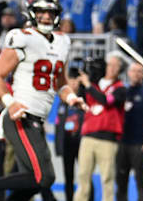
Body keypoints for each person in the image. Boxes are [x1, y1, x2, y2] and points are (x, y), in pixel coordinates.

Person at [0, 0, 87, 199]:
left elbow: (60, 83)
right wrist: (10, 103)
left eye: (50, 12)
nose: (46, 17)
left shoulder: (63, 41)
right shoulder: (22, 37)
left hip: (37, 120)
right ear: (31, 13)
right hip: (20, 117)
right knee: (43, 178)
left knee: (38, 180)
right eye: (40, 12)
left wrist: (72, 98)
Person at [74, 54, 127, 201]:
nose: (112, 68)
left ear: (120, 69)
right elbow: (81, 100)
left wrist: (88, 85)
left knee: (107, 179)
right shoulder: (94, 85)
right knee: (83, 176)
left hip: (107, 139)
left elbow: (105, 100)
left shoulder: (120, 89)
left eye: (116, 66)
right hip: (88, 136)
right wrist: (82, 84)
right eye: (110, 64)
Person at [116, 63, 143, 201]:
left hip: (139, 145)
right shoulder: (123, 93)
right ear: (128, 73)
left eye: (139, 71)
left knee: (142, 182)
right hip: (122, 143)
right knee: (121, 181)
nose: (136, 74)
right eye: (133, 71)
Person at [54, 67, 86, 201]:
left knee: (85, 176)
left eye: (75, 81)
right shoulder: (62, 103)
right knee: (68, 176)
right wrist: (58, 146)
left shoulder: (85, 100)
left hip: (81, 143)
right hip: (67, 144)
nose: (73, 84)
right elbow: (58, 125)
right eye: (70, 81)